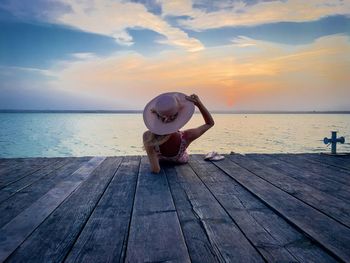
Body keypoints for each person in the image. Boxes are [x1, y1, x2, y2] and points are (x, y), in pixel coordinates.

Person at [143, 92, 214, 173]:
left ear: (156, 116)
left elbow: (155, 170)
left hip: (160, 158)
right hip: (180, 160)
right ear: (179, 117)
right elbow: (210, 123)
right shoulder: (187, 136)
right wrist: (199, 104)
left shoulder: (148, 136)